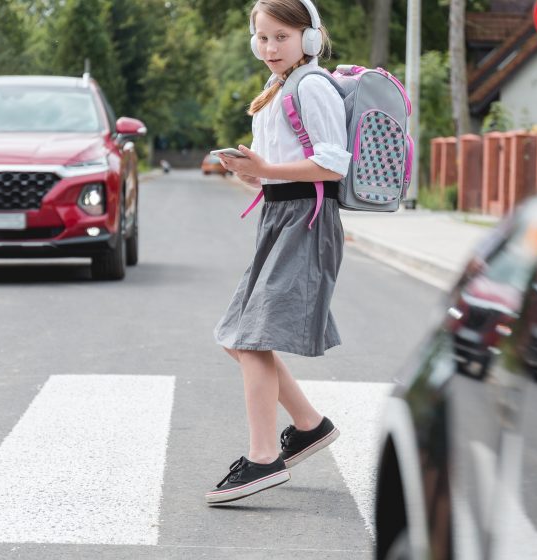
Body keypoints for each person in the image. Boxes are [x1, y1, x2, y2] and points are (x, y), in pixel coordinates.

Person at [206, 0, 347, 504]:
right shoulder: (276, 90)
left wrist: (266, 170)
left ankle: (264, 459)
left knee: (251, 338)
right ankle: (308, 425)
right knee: (236, 336)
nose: (269, 48)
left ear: (308, 39)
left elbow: (332, 166)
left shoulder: (313, 86)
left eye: (281, 37)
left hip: (307, 223)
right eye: (262, 37)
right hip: (278, 218)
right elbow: (279, 168)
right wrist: (251, 173)